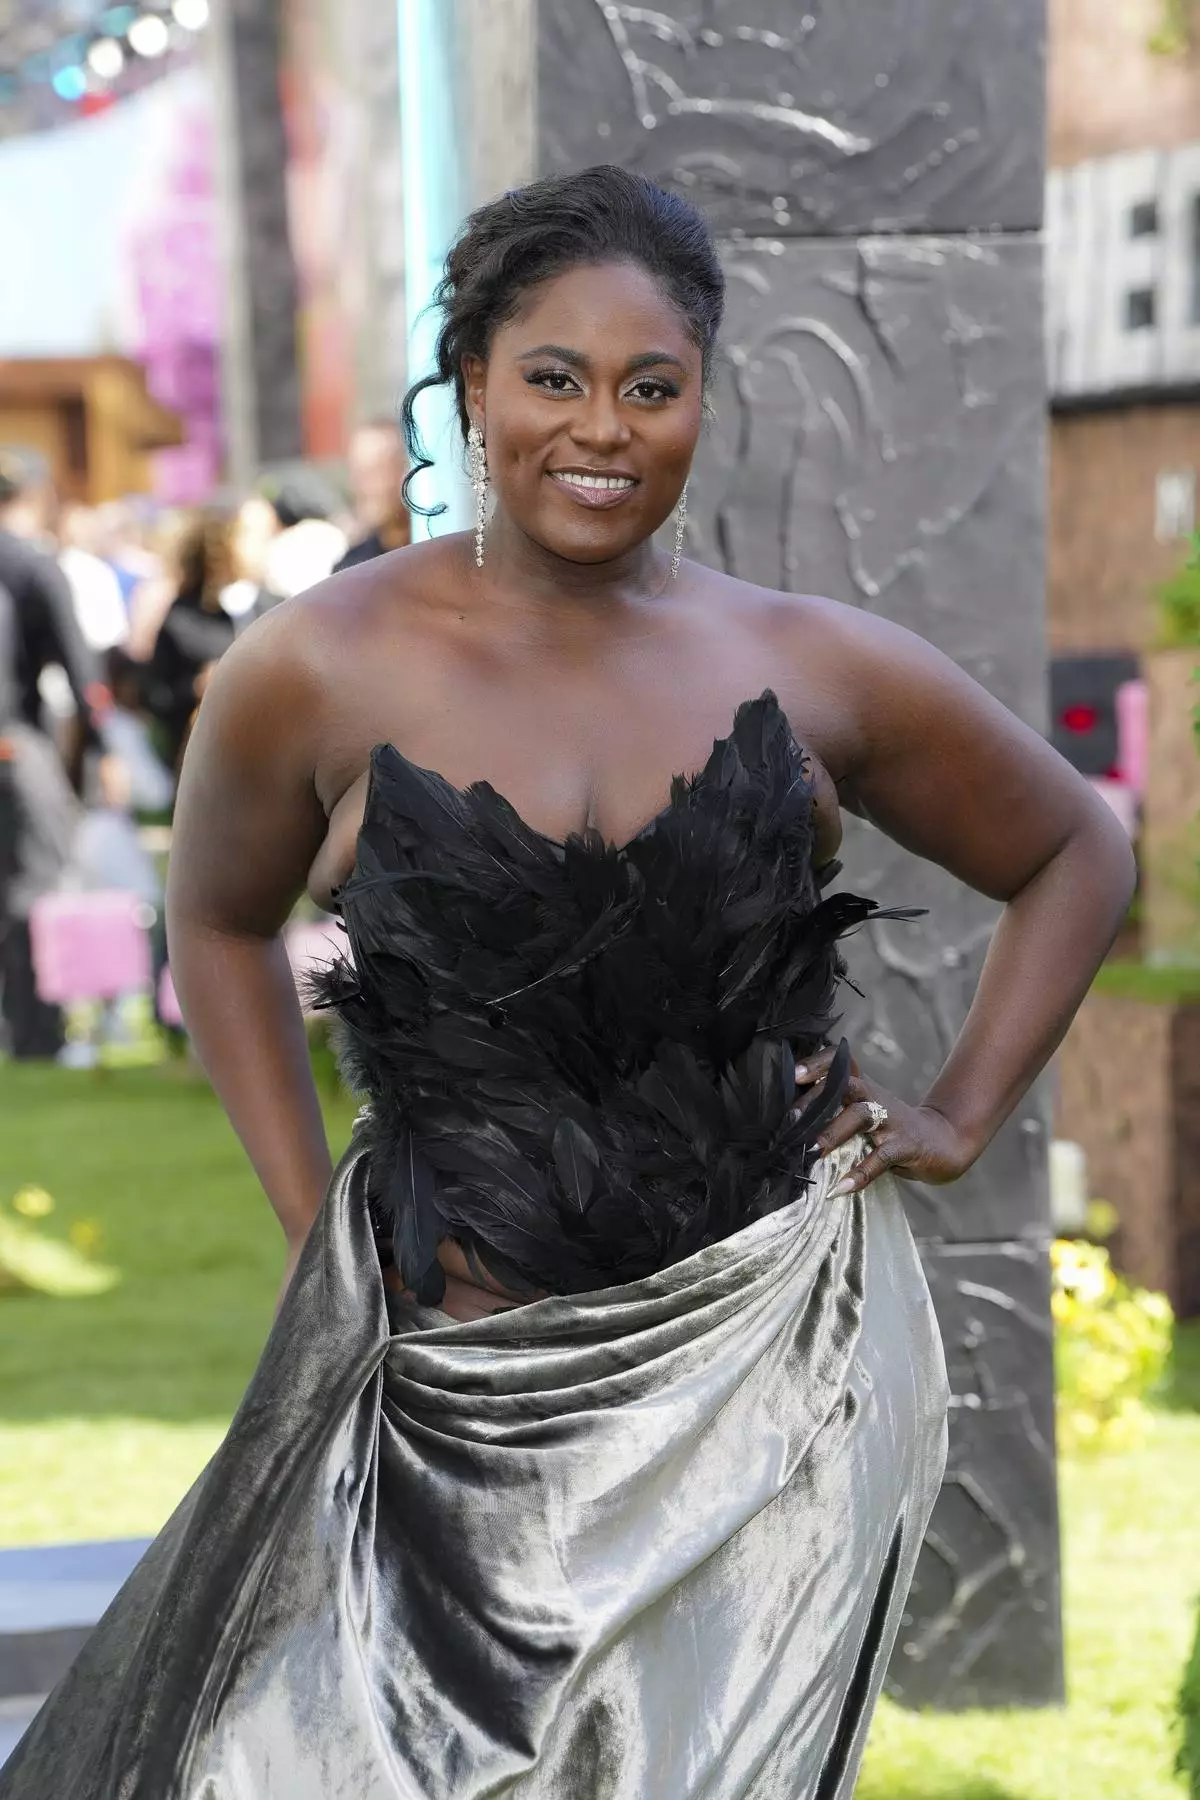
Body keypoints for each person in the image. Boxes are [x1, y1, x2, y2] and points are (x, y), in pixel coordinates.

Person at [0, 169, 1135, 1798]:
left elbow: (1072, 852)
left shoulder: (809, 662)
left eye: (651, 387)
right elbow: (218, 923)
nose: (602, 428)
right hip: (458, 1380)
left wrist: (960, 1112)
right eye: (554, 377)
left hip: (776, 1377)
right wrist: (311, 1211)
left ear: (698, 404)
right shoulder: (315, 665)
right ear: (470, 386)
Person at [332, 416, 411, 570]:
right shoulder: (352, 569)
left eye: (372, 473)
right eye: (357, 473)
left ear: (407, 473)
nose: (359, 486)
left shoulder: (443, 555)